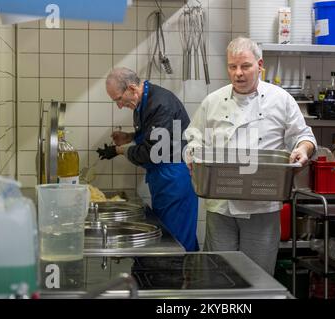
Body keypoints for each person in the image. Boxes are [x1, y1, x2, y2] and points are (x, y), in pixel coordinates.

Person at [184, 37, 317, 275]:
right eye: (232, 67)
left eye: (245, 66)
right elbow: (193, 138)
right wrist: (192, 154)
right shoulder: (212, 101)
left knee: (257, 277)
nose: (238, 73)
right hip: (220, 204)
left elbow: (304, 136)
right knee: (218, 275)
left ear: (260, 64)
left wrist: (302, 150)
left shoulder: (281, 99)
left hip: (262, 204)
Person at [97, 67, 199, 252]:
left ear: (132, 88)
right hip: (162, 178)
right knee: (168, 234)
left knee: (177, 242)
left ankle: (185, 279)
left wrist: (120, 150)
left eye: (119, 99)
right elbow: (154, 134)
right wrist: (129, 137)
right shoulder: (144, 101)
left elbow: (152, 151)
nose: (119, 106)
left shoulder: (160, 104)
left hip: (175, 178)